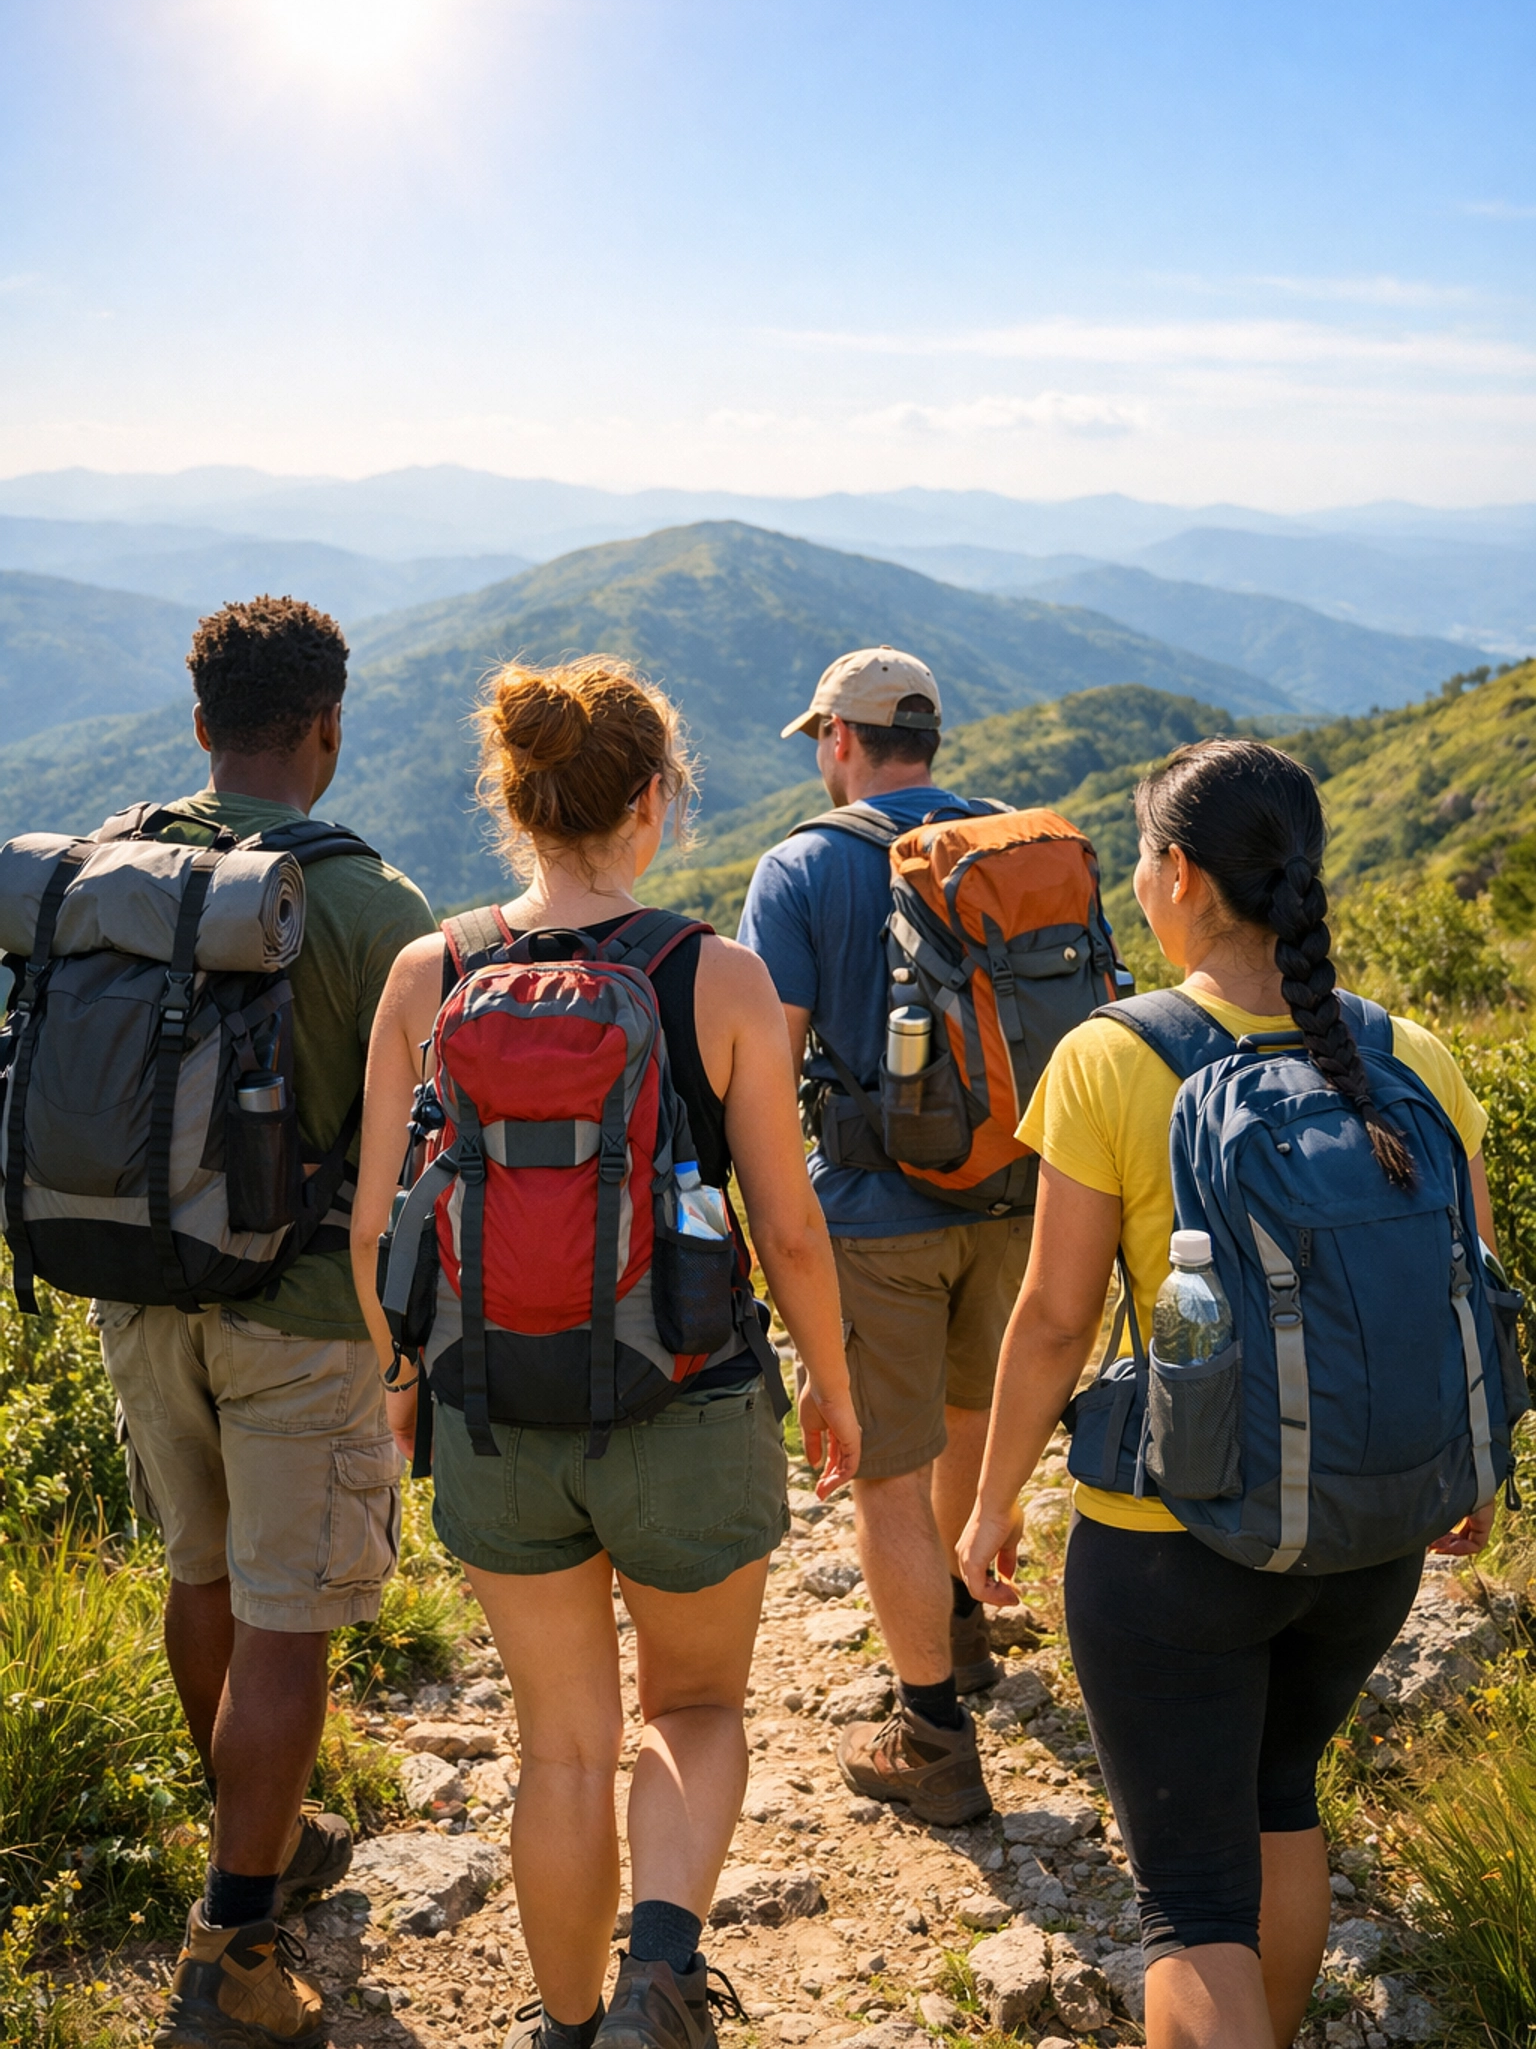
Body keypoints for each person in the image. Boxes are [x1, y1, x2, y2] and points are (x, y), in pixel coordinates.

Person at [959, 738, 1501, 2049]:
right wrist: (1473, 1473)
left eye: (1142, 855)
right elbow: (1473, 1284)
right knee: (1278, 1801)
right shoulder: (1414, 1052)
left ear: (1179, 874)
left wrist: (988, 1511)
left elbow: (1050, 1320)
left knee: (1190, 1900)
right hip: (1371, 1535)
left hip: (1175, 1545)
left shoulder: (1114, 1055)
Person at [350, 656, 860, 2049]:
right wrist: (828, 1383)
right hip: (687, 1404)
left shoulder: (430, 973)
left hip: (496, 1420)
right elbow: (791, 1231)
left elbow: (373, 1227)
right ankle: (660, 1970)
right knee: (693, 1706)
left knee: (560, 1749)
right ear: (652, 804)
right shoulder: (719, 978)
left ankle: (569, 2028)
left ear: (513, 801)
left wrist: (407, 1387)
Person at [93, 597, 438, 2049]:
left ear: (197, 725)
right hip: (301, 1314)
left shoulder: (110, 862)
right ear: (326, 728)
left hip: (135, 1291)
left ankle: (259, 1840)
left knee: (204, 1576)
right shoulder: (377, 910)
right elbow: (417, 1152)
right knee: (290, 1625)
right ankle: (236, 1942)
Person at [737, 647, 1031, 1825]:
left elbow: (764, 1063)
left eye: (822, 737)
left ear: (843, 742)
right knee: (968, 1411)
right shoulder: (1024, 845)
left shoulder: (802, 867)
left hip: (874, 1214)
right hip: (1017, 1196)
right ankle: (957, 1630)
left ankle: (933, 1734)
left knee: (885, 1476)